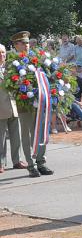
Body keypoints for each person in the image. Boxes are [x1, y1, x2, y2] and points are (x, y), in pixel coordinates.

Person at [11, 31, 53, 177]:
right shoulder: (12, 61)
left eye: (27, 42)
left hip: (40, 102)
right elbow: (11, 84)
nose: (26, 45)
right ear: (16, 45)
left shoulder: (37, 58)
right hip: (24, 103)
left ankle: (41, 161)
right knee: (27, 134)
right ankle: (31, 164)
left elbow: (47, 76)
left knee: (40, 131)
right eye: (23, 43)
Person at [0, 44, 24, 173]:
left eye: (3, 52)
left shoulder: (11, 69)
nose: (1, 55)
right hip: (0, 108)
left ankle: (17, 161)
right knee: (1, 137)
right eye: (0, 52)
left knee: (17, 135)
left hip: (14, 107)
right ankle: (1, 163)